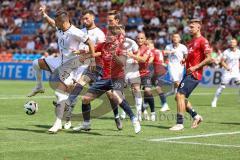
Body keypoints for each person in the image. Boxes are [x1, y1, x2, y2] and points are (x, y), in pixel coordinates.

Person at [72, 11, 141, 134]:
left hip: (118, 77)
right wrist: (82, 54)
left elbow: (122, 63)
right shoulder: (103, 45)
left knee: (115, 95)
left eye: (109, 35)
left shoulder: (121, 46)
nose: (107, 37)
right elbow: (94, 52)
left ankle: (134, 118)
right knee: (86, 99)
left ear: (115, 37)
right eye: (106, 34)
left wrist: (114, 55)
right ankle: (86, 124)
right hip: (104, 77)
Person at [30, 5, 95, 133]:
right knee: (36, 63)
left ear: (63, 21)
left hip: (70, 66)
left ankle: (58, 123)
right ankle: (39, 86)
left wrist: (91, 58)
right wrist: (44, 14)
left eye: (57, 22)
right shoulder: (61, 28)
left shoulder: (75, 32)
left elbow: (90, 42)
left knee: (60, 94)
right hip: (59, 61)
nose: (55, 24)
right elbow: (51, 22)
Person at [169, 19, 213, 131]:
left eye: (192, 27)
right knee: (178, 97)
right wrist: (185, 60)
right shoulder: (191, 42)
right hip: (188, 73)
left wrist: (195, 67)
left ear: (198, 28)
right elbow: (192, 57)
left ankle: (179, 123)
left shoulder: (203, 41)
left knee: (179, 95)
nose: (190, 28)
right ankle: (196, 116)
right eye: (189, 26)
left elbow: (209, 58)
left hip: (195, 74)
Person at [132, 32, 155, 121]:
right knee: (136, 92)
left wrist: (132, 56)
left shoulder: (147, 49)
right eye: (138, 38)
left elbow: (143, 59)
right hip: (135, 73)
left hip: (145, 73)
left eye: (142, 38)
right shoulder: (133, 49)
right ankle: (143, 111)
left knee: (148, 91)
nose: (140, 40)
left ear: (145, 39)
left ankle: (153, 112)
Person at [211, 38, 240, 107]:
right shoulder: (226, 52)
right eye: (231, 42)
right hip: (227, 72)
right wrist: (227, 68)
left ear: (236, 44)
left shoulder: (239, 51)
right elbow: (222, 61)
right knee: (222, 87)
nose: (231, 43)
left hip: (236, 72)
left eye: (233, 42)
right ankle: (214, 101)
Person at [120, 37, 143, 121]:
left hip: (133, 68)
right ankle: (123, 111)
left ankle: (139, 113)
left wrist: (133, 57)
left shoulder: (131, 42)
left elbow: (138, 55)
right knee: (123, 91)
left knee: (137, 89)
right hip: (122, 69)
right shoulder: (114, 43)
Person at [164, 33, 188, 98]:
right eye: (174, 37)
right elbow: (165, 54)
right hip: (171, 66)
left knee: (175, 88)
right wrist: (166, 60)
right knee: (176, 82)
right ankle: (183, 96)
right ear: (172, 38)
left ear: (180, 39)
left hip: (180, 67)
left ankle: (166, 95)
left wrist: (184, 59)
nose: (175, 38)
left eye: (177, 37)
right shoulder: (168, 47)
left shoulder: (183, 47)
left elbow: (186, 57)